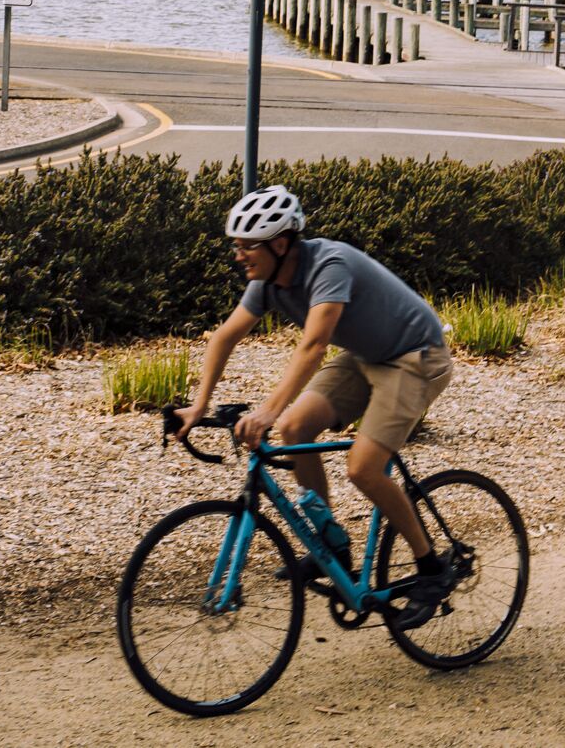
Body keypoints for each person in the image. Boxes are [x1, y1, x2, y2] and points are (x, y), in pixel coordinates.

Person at [174, 184, 458, 628]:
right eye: (237, 245)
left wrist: (267, 408)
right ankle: (332, 546)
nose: (239, 255)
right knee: (293, 430)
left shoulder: (330, 264)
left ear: (280, 244)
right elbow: (224, 337)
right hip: (366, 355)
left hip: (414, 357)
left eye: (248, 246)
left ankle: (431, 569)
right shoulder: (267, 282)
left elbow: (314, 345)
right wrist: (198, 406)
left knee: (363, 467)